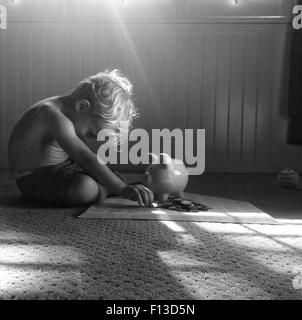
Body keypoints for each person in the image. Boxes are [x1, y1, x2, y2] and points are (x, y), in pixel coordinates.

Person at [8, 69, 154, 207]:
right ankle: (112, 189)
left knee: (99, 170)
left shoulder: (60, 107)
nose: (88, 138)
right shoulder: (54, 116)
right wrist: (121, 188)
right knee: (85, 188)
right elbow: (84, 157)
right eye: (90, 132)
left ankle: (118, 186)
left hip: (60, 168)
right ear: (82, 106)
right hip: (35, 179)